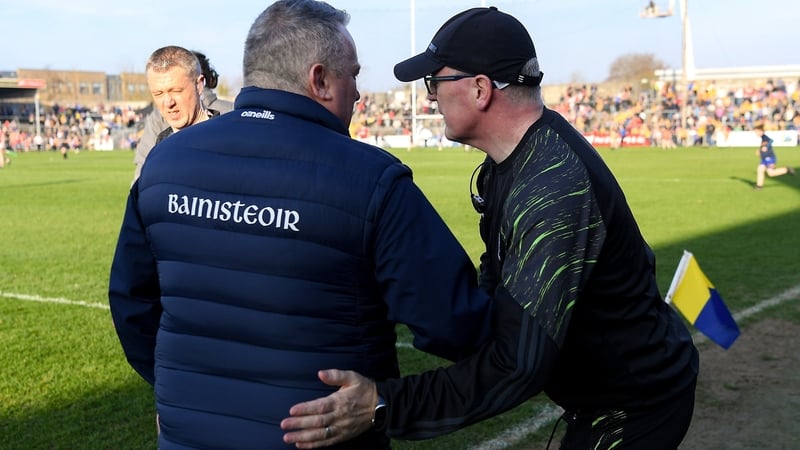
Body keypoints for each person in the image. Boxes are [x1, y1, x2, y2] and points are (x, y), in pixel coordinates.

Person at [281, 7, 699, 450]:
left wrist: (383, 405)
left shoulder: (553, 188)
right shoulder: (510, 164)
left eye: (434, 83)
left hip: (634, 407)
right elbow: (499, 303)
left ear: (480, 89)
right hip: (604, 396)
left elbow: (519, 363)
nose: (430, 99)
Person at [107, 1, 491, 449]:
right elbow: (456, 323)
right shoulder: (372, 179)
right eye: (354, 74)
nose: (359, 93)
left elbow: (131, 302)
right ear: (320, 79)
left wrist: (177, 389)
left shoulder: (162, 164)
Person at [132, 46, 233, 183]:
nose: (168, 102)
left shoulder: (231, 126)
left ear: (199, 85)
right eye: (158, 94)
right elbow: (140, 183)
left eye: (176, 91)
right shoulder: (157, 143)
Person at [753, 123, 795, 190]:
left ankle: (787, 170)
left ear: (760, 131)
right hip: (765, 158)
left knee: (770, 173)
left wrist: (765, 147)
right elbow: (764, 147)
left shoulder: (764, 137)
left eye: (756, 132)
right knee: (761, 170)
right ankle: (759, 186)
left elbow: (770, 141)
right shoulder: (762, 138)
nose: (755, 133)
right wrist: (760, 151)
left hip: (769, 158)